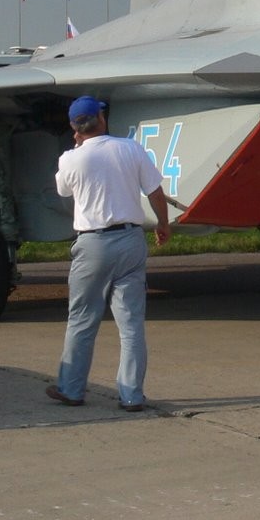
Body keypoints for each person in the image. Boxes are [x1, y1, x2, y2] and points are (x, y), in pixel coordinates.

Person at [47, 96, 172, 411]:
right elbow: (155, 191)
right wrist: (163, 224)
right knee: (131, 324)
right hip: (131, 240)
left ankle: (72, 389)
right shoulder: (130, 148)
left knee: (82, 319)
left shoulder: (71, 158)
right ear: (101, 118)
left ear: (75, 127)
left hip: (93, 243)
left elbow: (63, 189)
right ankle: (132, 395)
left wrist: (76, 148)